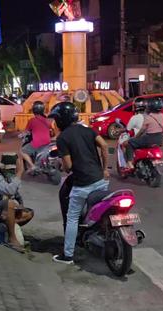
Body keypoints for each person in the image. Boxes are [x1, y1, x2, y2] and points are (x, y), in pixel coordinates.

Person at [48, 102, 110, 265]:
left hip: (83, 184)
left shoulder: (63, 138)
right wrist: (104, 169)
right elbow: (104, 145)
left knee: (72, 217)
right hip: (101, 181)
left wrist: (62, 166)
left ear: (61, 120)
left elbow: (67, 166)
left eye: (55, 119)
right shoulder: (88, 130)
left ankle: (68, 255)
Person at [125, 97, 163, 169]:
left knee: (129, 142)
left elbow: (142, 130)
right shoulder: (162, 115)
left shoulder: (148, 117)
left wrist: (135, 137)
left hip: (149, 139)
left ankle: (129, 162)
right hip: (159, 139)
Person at [21, 101, 53, 173]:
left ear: (33, 110)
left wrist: (21, 135)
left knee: (23, 151)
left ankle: (33, 166)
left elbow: (26, 132)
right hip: (48, 142)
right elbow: (51, 130)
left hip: (37, 143)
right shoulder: (47, 120)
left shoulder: (32, 120)